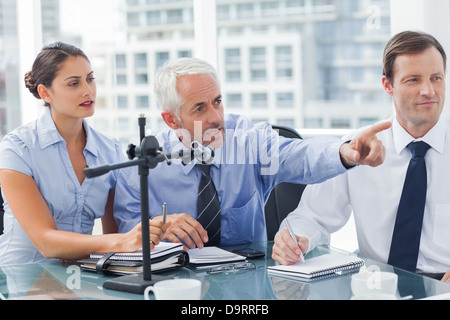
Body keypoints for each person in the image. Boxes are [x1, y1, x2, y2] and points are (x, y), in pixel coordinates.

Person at [113, 57, 391, 250]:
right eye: (200, 108)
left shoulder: (247, 141)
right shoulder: (144, 164)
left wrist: (345, 152)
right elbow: (126, 234)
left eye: (218, 102)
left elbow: (299, 155)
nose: (215, 117)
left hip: (248, 287)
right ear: (171, 120)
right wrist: (156, 227)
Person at [272, 31, 450, 284]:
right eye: (413, 80)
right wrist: (293, 240)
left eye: (436, 78)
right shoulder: (359, 147)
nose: (428, 90)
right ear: (388, 85)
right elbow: (310, 216)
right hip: (376, 285)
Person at [0, 42, 166, 265]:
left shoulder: (111, 150)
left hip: (78, 278)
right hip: (20, 278)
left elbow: (113, 236)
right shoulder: (17, 149)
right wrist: (121, 241)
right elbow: (45, 242)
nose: (88, 91)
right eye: (73, 83)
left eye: (90, 78)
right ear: (45, 92)